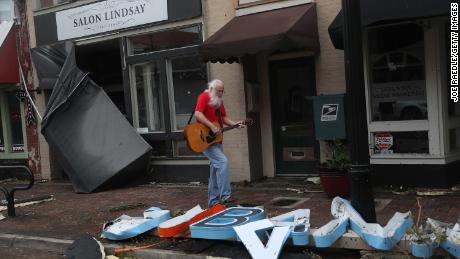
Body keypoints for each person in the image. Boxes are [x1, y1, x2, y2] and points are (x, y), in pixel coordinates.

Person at [194, 79, 245, 207]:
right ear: (211, 89)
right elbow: (198, 113)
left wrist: (235, 124)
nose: (221, 93)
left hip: (216, 140)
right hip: (204, 139)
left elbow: (222, 118)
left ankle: (213, 202)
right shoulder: (204, 96)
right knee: (223, 162)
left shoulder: (218, 101)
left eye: (222, 91)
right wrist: (211, 126)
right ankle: (225, 196)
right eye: (219, 91)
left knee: (215, 170)